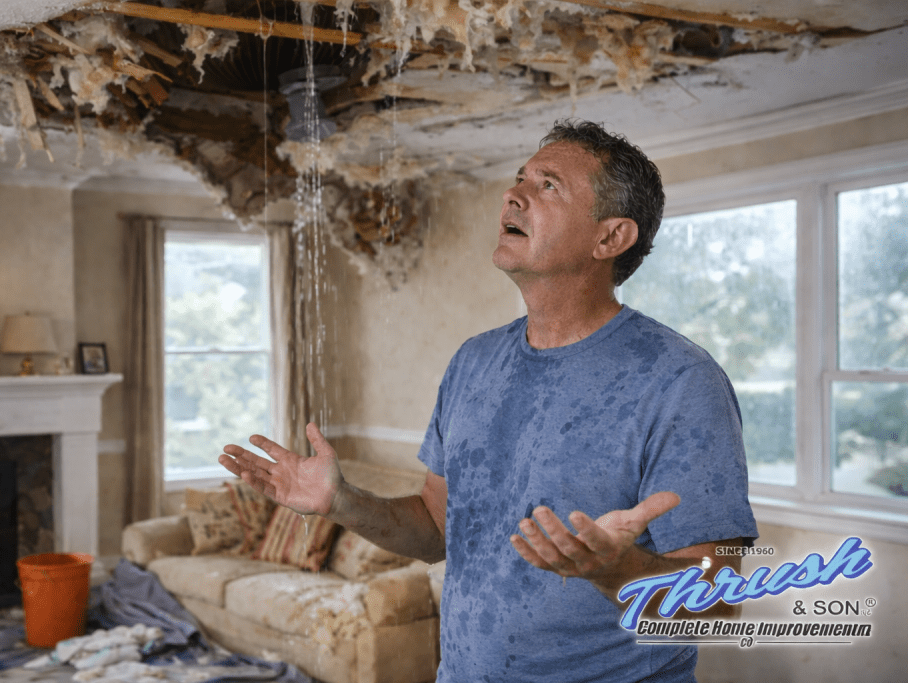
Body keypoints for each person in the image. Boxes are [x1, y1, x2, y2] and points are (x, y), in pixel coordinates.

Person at [220, 119, 758, 682]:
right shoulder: (473, 362)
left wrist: (617, 571)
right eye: (521, 178)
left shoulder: (680, 381)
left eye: (548, 185)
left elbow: (718, 607)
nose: (513, 194)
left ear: (610, 238)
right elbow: (436, 529)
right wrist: (342, 502)